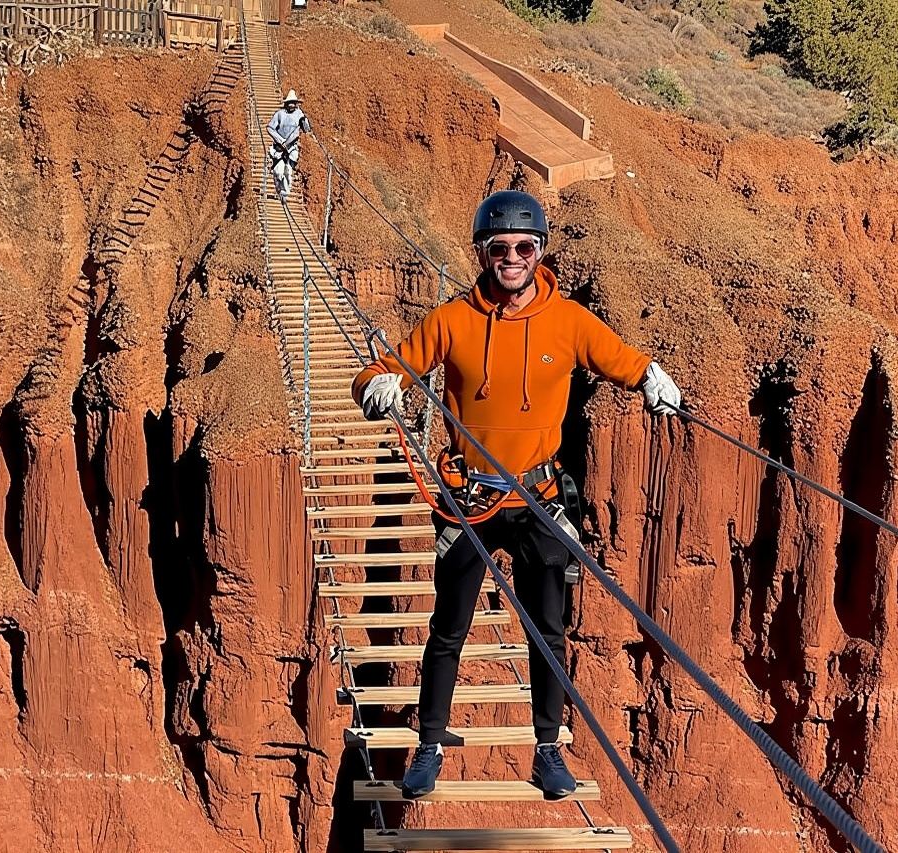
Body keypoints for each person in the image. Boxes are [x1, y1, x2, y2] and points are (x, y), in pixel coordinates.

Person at [350, 190, 683, 800]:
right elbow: (383, 368)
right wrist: (377, 387)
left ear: (540, 251)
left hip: (537, 499)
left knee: (547, 632)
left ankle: (547, 750)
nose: (512, 258)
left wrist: (650, 378)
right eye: (499, 247)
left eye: (524, 247)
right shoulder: (451, 321)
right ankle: (429, 745)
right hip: (469, 500)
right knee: (448, 628)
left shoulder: (569, 321)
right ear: (482, 253)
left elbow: (622, 360)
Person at [266, 89, 311, 202]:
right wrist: (280, 140)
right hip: (279, 147)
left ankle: (285, 194)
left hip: (291, 147)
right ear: (286, 104)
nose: (291, 105)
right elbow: (270, 128)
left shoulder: (299, 114)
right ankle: (279, 190)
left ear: (296, 104)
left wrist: (304, 121)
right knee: (278, 171)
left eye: (293, 103)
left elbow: (306, 129)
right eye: (290, 103)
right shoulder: (279, 114)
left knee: (288, 171)